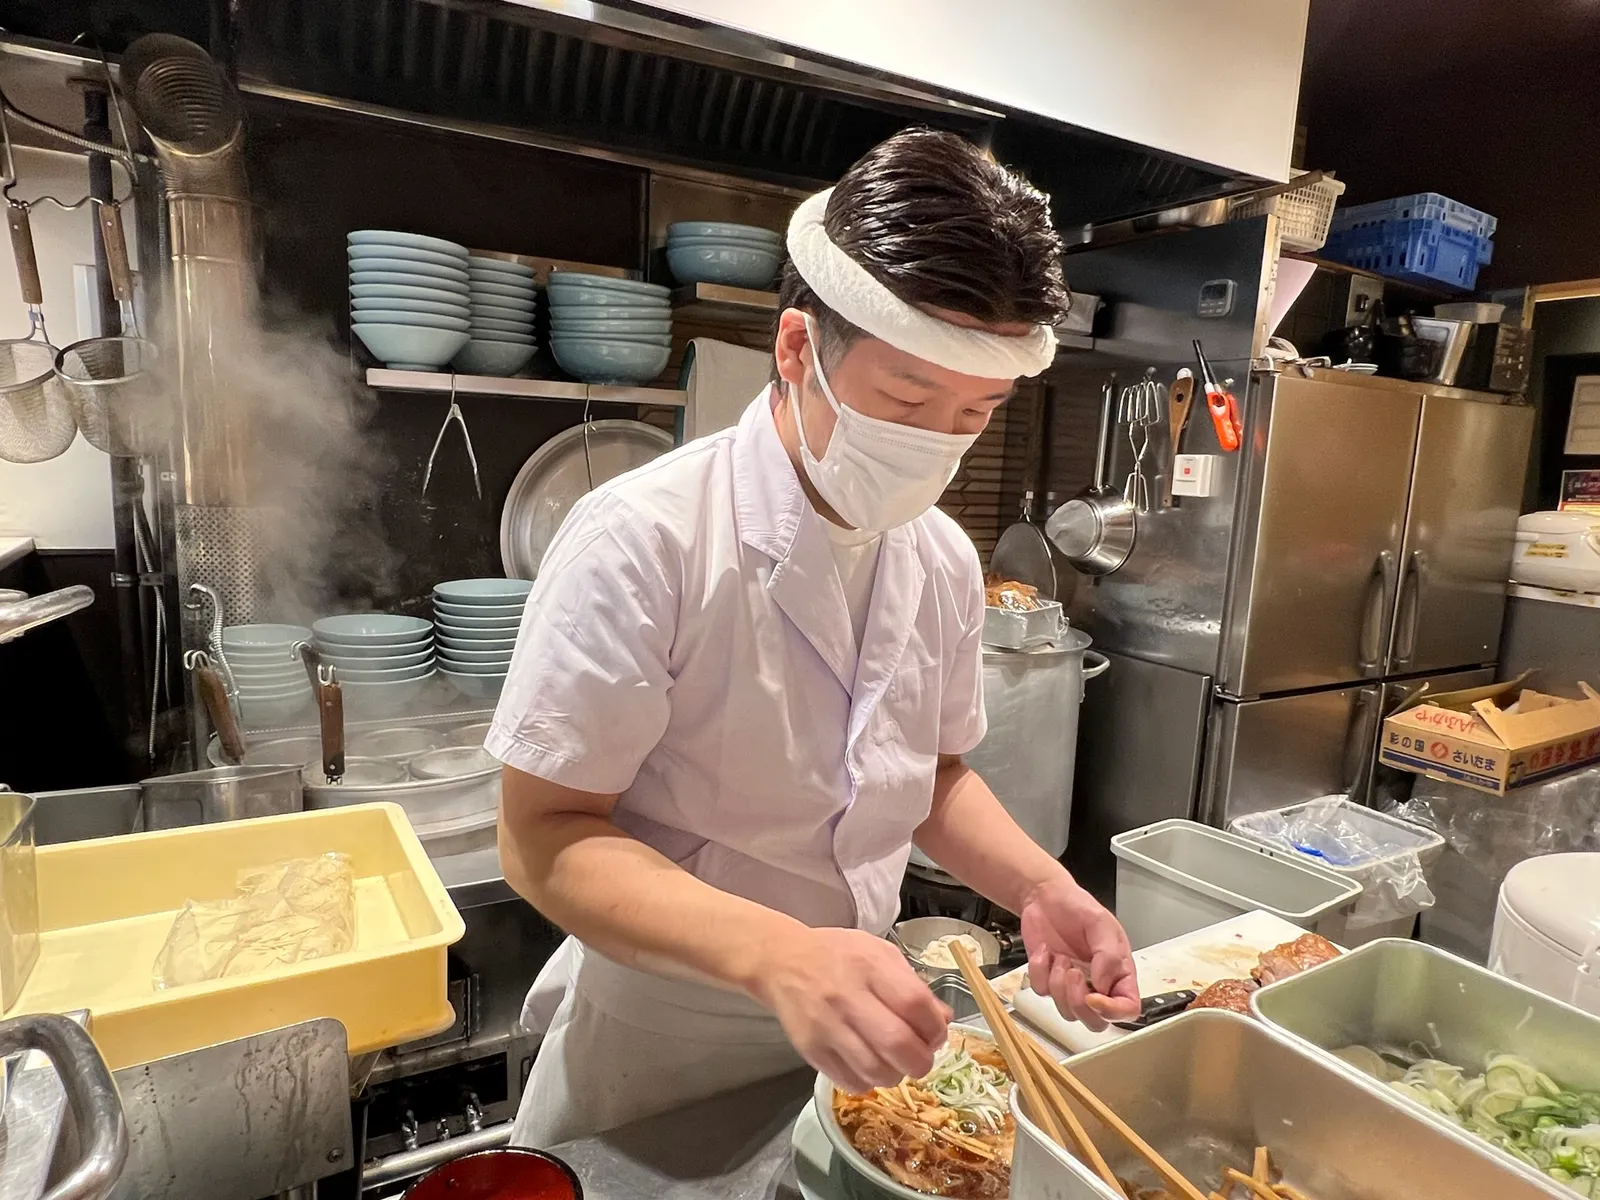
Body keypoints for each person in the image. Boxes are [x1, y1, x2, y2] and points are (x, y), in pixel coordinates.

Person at [487, 128, 1139, 1148]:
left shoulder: (940, 559)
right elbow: (541, 837)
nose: (936, 443)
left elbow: (928, 775)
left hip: (859, 1035)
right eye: (906, 398)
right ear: (797, 349)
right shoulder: (645, 538)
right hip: (662, 1043)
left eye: (975, 411)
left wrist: (1041, 889)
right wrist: (780, 957)